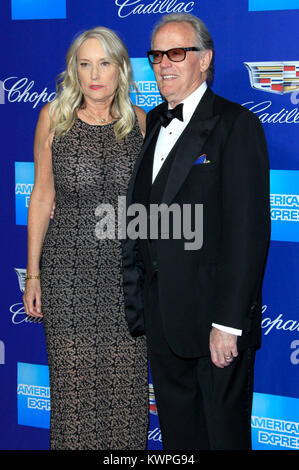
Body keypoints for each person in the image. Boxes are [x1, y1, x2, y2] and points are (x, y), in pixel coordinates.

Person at [122, 13, 270, 450]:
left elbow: (249, 233)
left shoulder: (236, 125)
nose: (163, 64)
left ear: (204, 60)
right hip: (162, 317)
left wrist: (228, 323)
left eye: (176, 53)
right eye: (156, 55)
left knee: (221, 436)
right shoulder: (151, 122)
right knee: (178, 437)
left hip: (213, 323)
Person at [23, 26, 148, 450]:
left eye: (105, 63)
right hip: (67, 273)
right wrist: (34, 275)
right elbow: (41, 197)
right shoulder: (53, 117)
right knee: (73, 391)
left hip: (125, 278)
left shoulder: (142, 122)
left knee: (125, 389)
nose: (95, 74)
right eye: (85, 63)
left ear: (121, 69)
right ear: (74, 70)